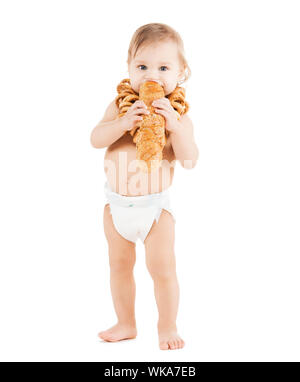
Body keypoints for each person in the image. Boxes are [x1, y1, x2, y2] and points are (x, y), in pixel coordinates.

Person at [90, 23, 199, 350]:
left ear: (181, 73)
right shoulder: (122, 106)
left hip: (155, 211)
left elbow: (190, 160)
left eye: (164, 68)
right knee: (119, 267)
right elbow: (95, 139)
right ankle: (126, 323)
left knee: (162, 269)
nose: (152, 75)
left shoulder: (178, 116)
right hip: (117, 209)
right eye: (142, 66)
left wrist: (175, 128)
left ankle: (167, 326)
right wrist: (123, 123)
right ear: (129, 67)